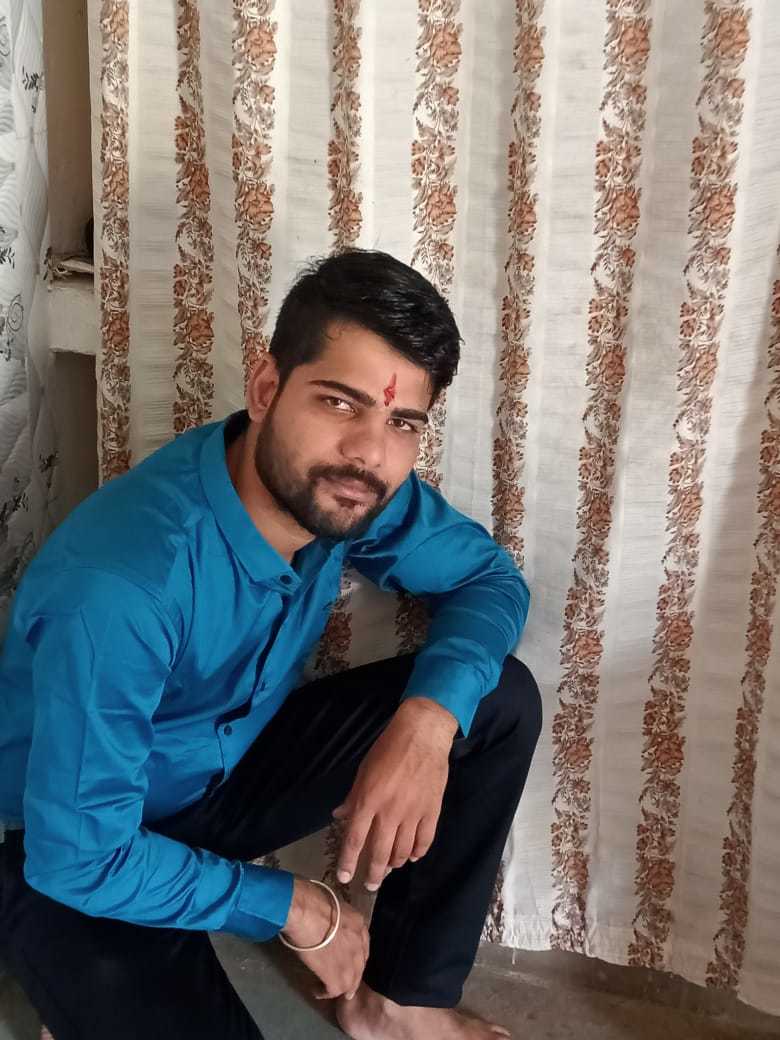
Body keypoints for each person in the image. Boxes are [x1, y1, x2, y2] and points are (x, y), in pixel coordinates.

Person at [0, 249, 542, 1040]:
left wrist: (428, 725)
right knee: (98, 916)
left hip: (218, 780)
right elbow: (77, 853)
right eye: (339, 402)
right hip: (66, 841)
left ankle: (396, 1003)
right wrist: (289, 904)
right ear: (265, 390)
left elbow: (491, 582)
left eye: (401, 423)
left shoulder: (347, 491)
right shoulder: (125, 584)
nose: (369, 452)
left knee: (494, 700)